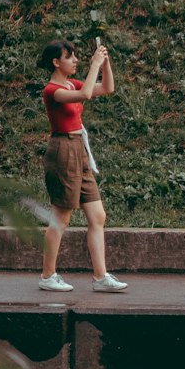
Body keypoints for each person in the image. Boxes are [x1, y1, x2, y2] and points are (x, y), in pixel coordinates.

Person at [38, 39, 127, 292]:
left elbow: (107, 88)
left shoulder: (70, 82)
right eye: (70, 57)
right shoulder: (53, 90)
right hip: (63, 150)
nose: (75, 60)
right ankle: (47, 275)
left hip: (80, 149)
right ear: (57, 62)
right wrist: (94, 64)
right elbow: (86, 93)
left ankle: (101, 277)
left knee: (97, 215)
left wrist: (105, 64)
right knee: (61, 217)